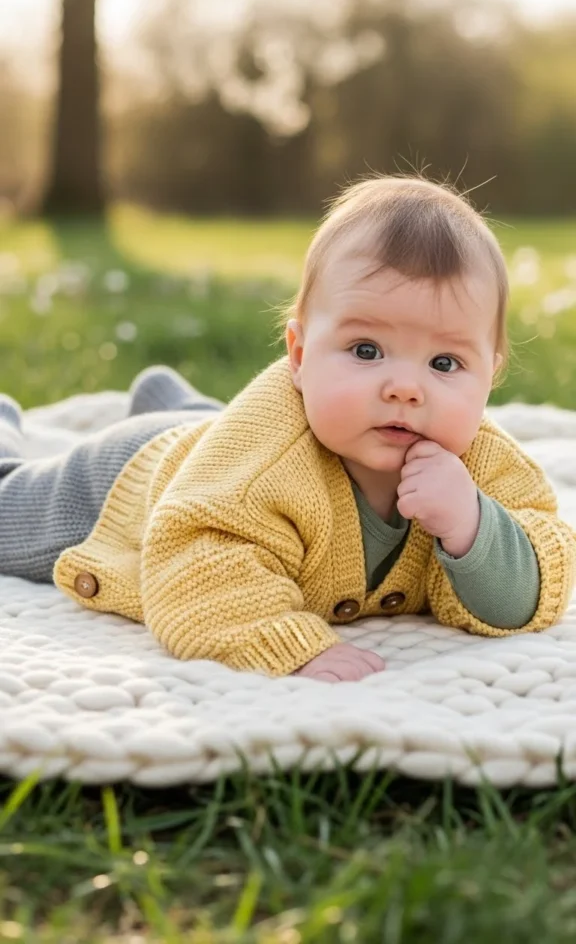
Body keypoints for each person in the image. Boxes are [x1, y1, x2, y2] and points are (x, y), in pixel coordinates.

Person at [1, 176, 575, 683]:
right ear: (298, 355)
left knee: (221, 431)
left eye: (445, 364)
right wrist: (289, 649)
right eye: (367, 349)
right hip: (131, 479)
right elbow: (196, 566)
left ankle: (174, 397)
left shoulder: (486, 465)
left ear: (489, 377)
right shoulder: (263, 467)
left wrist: (474, 528)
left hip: (223, 443)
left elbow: (539, 577)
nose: (406, 387)